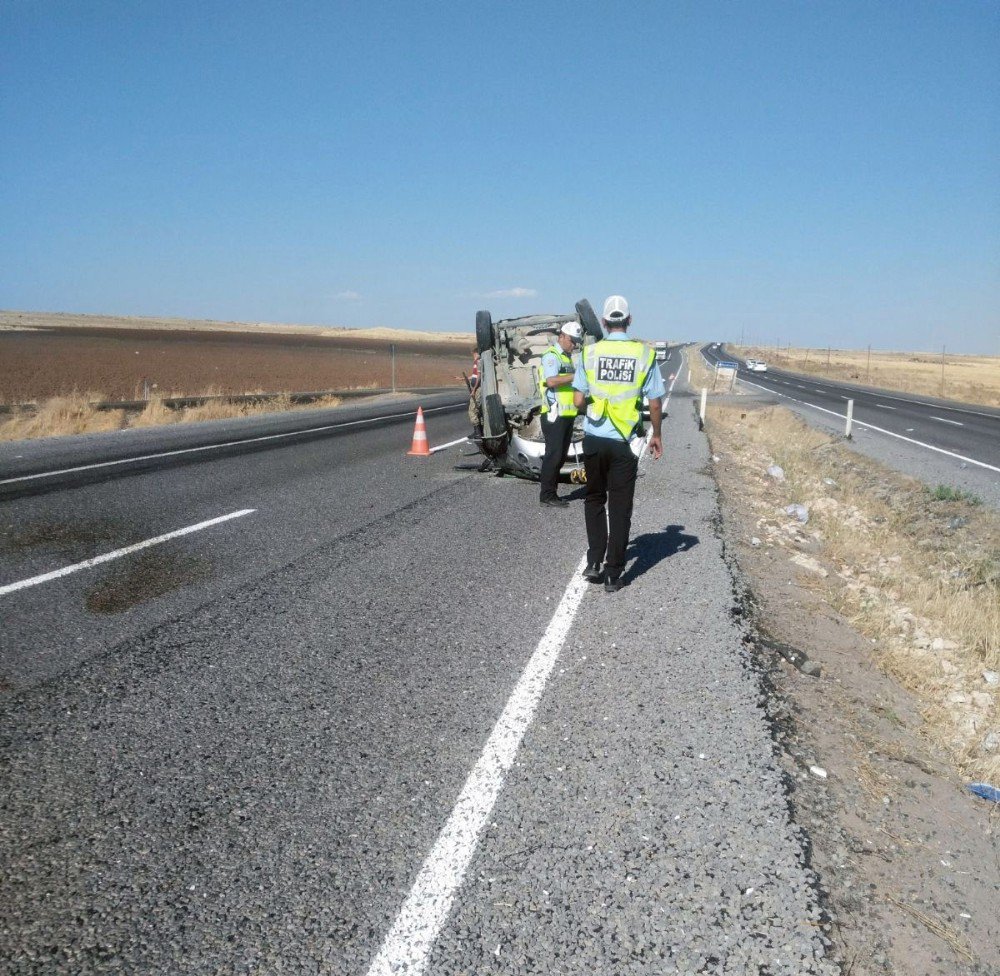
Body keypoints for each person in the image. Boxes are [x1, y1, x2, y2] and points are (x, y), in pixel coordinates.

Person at [572, 295, 664, 592]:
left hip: (595, 438)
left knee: (594, 498)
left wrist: (595, 410)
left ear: (603, 322)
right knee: (620, 506)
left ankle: (594, 561)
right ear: (629, 320)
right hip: (626, 441)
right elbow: (654, 402)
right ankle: (614, 573)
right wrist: (657, 435)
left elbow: (577, 400)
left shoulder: (589, 353)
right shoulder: (644, 354)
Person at [538, 321, 584, 507]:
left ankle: (552, 493)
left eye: (576, 342)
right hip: (554, 414)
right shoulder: (552, 356)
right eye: (572, 341)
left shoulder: (567, 358)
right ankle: (547, 496)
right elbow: (551, 381)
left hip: (567, 414)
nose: (573, 345)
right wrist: (576, 376)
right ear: (562, 337)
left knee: (560, 456)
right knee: (554, 455)